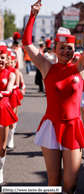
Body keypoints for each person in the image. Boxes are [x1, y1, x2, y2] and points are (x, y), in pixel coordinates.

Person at [22, 0, 84, 193]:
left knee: (71, 183)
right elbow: (26, 43)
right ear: (55, 49)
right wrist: (32, 15)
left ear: (74, 50)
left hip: (73, 127)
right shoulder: (46, 67)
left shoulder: (80, 68)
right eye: (62, 47)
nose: (66, 50)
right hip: (52, 126)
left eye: (70, 47)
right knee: (53, 181)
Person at [0, 43, 18, 184]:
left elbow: (9, 90)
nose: (0, 60)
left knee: (2, 145)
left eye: (2, 58)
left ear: (6, 60)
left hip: (3, 110)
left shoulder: (11, 73)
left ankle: (0, 169)